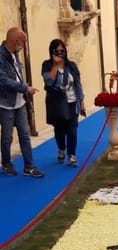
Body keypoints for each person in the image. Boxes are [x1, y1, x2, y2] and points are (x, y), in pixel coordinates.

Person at [0, 27, 44, 178]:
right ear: (16, 41)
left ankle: (29, 167)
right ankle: (6, 164)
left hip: (20, 103)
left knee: (25, 135)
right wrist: (25, 87)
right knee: (7, 137)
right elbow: (3, 80)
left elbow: (17, 75)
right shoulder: (1, 57)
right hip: (5, 104)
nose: (23, 45)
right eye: (23, 42)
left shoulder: (15, 55)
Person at [41, 39, 86, 167]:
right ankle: (61, 149)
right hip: (57, 103)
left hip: (72, 101)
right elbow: (48, 82)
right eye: (57, 51)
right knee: (59, 130)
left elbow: (77, 84)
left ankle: (72, 155)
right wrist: (56, 65)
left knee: (72, 129)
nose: (60, 53)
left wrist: (81, 101)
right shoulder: (47, 65)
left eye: (62, 51)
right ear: (52, 51)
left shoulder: (71, 66)